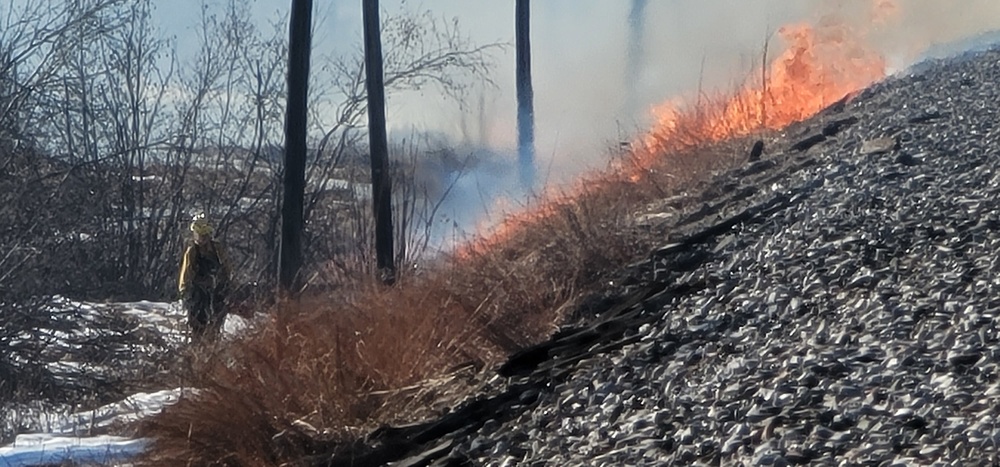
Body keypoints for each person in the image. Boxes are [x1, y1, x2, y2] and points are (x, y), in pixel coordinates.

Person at [178, 212, 232, 340]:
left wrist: (227, 284)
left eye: (204, 235)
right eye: (200, 234)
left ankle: (213, 343)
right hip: (199, 293)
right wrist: (184, 291)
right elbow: (186, 272)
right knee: (198, 324)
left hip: (217, 292)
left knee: (215, 323)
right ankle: (199, 346)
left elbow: (227, 267)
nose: (202, 238)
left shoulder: (217, 249)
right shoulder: (192, 251)